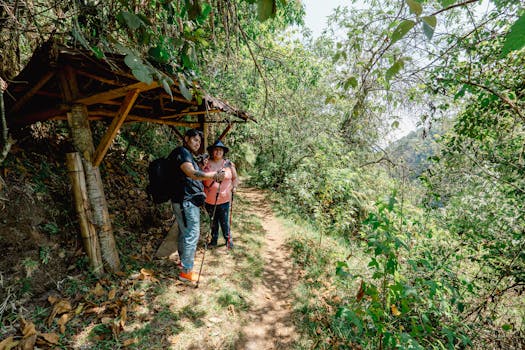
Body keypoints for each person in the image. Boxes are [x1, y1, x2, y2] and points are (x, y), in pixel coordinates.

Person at [169, 129, 225, 282]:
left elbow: (193, 174)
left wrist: (201, 166)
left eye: (199, 142)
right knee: (192, 234)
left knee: (185, 232)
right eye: (194, 140)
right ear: (186, 138)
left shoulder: (187, 155)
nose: (197, 143)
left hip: (184, 201)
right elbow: (192, 174)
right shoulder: (181, 152)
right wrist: (214, 175)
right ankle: (187, 272)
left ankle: (183, 264)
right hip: (186, 201)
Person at [203, 140, 239, 248]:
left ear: (223, 152)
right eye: (216, 149)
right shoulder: (206, 163)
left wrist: (234, 187)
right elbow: (198, 177)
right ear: (212, 151)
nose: (218, 151)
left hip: (224, 198)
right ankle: (213, 241)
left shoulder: (228, 164)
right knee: (213, 221)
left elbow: (235, 178)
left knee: (224, 221)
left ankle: (228, 240)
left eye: (220, 150)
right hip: (209, 199)